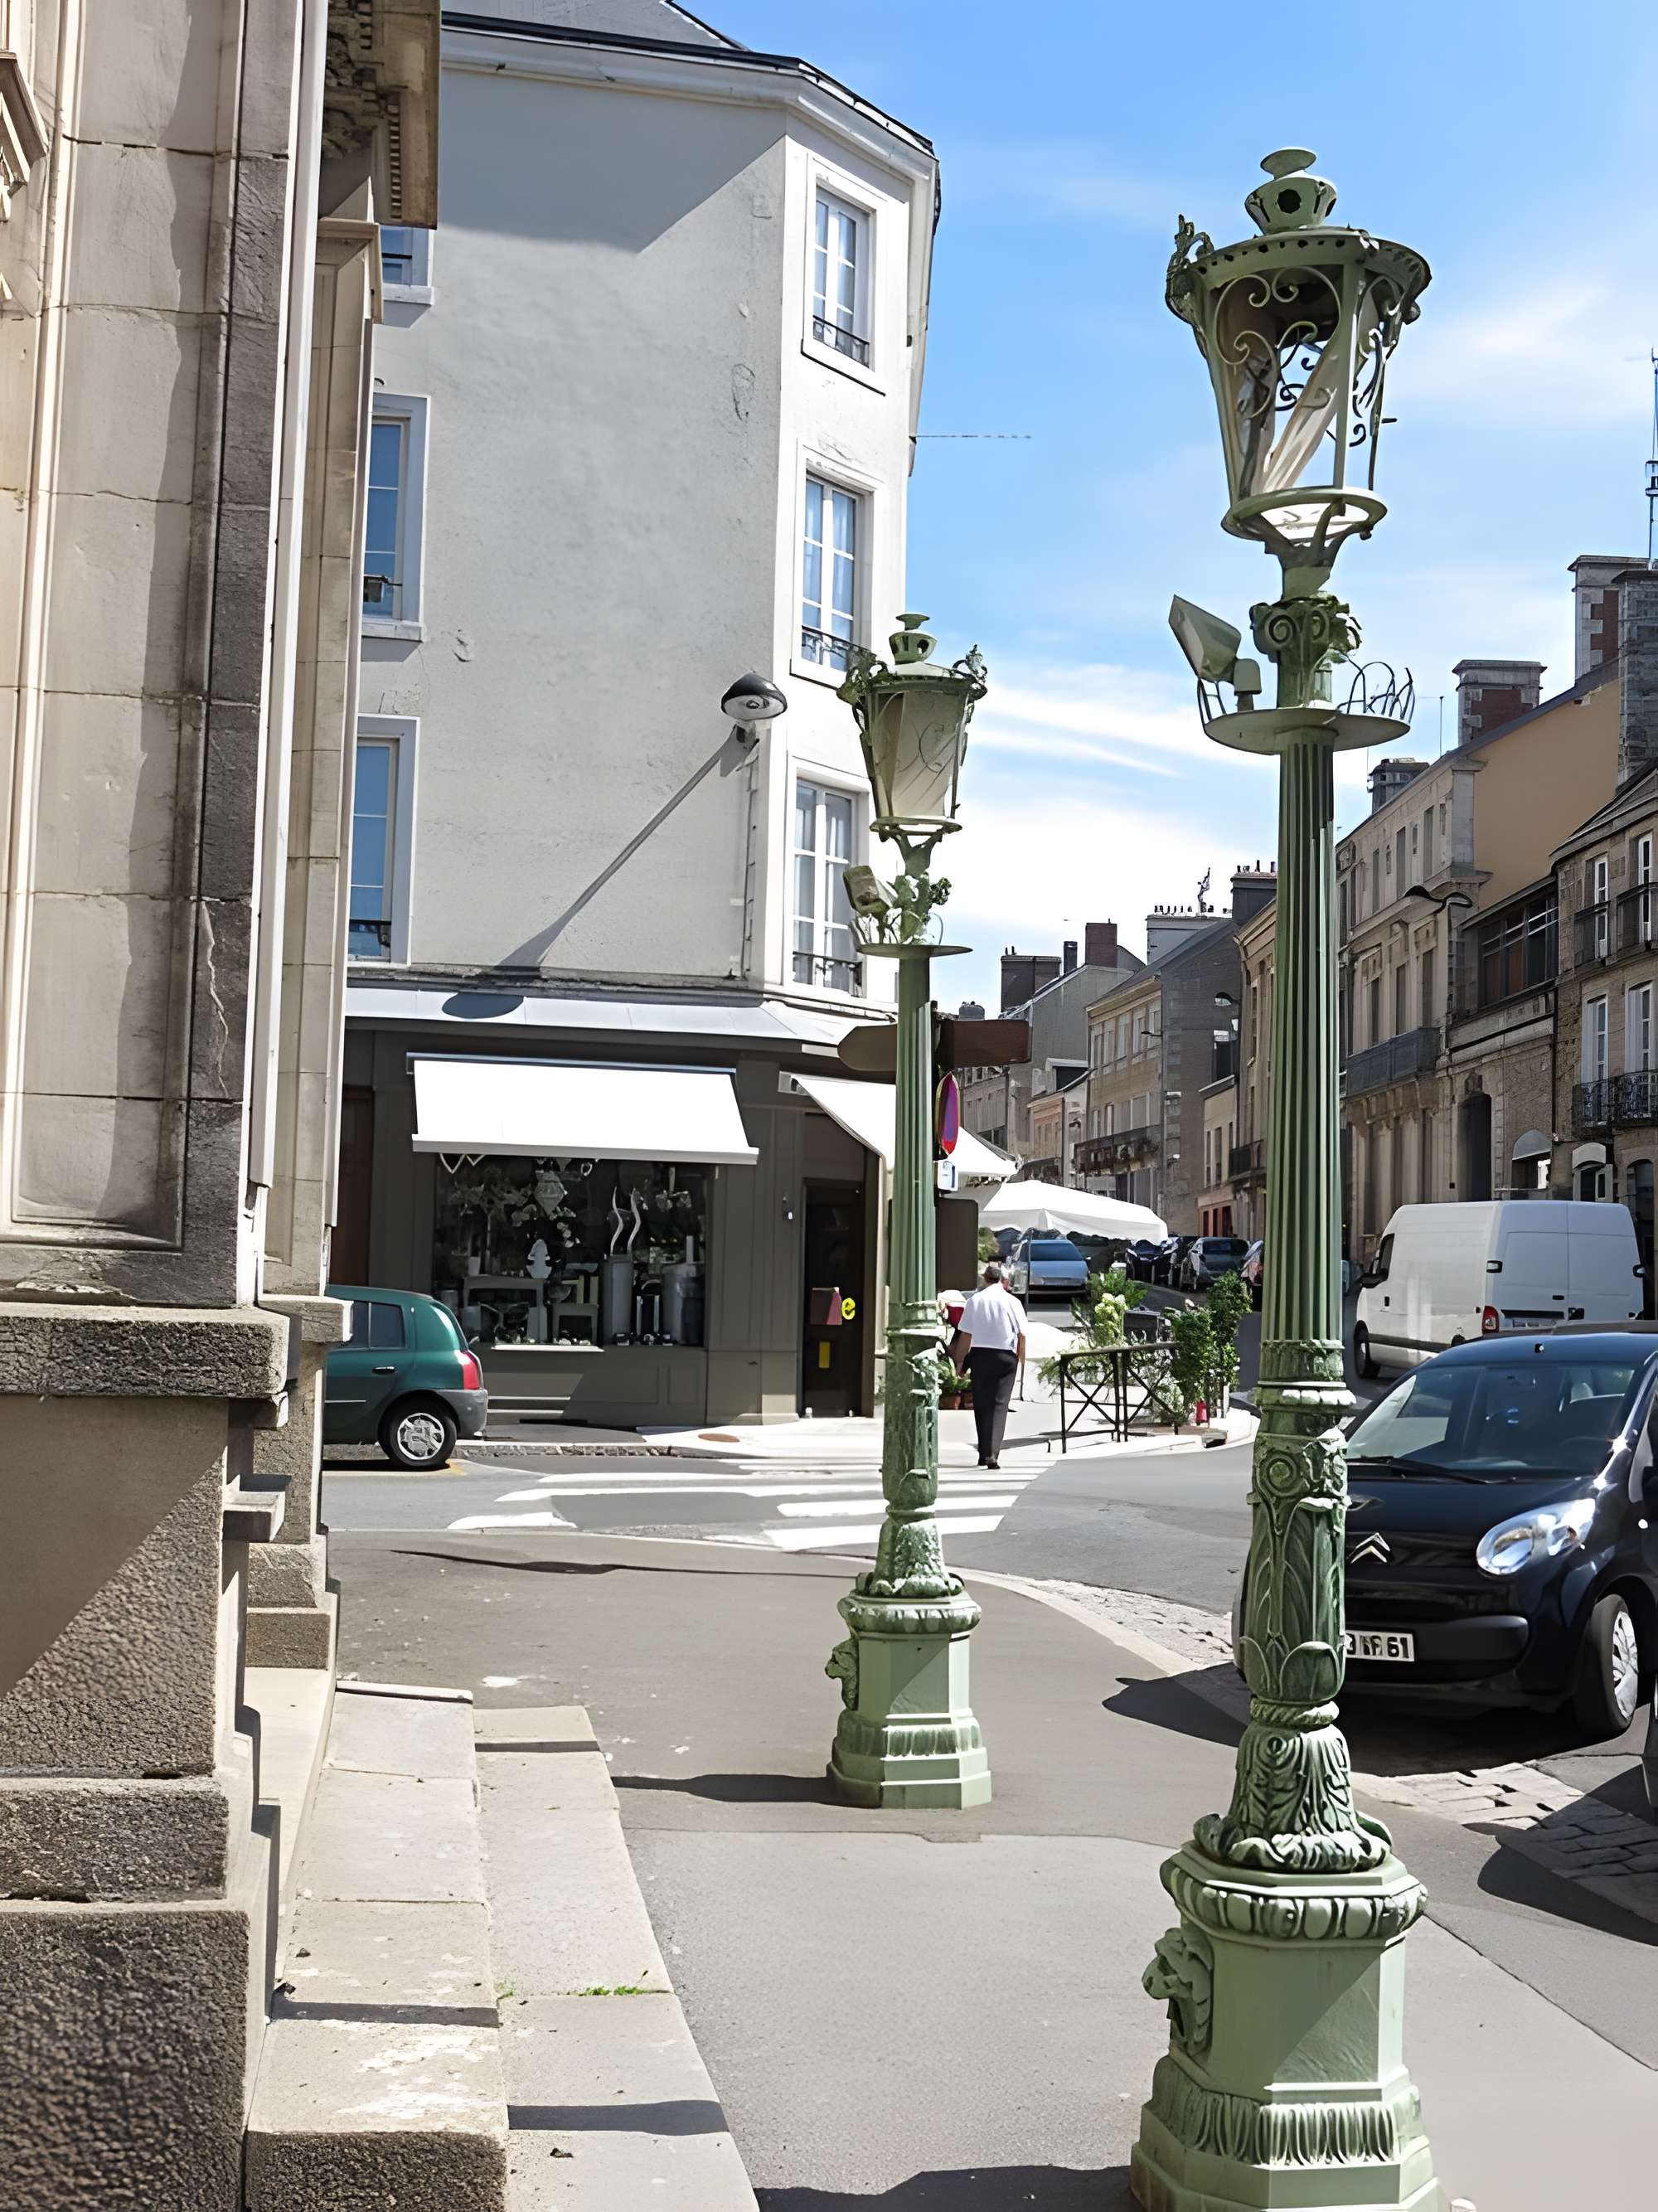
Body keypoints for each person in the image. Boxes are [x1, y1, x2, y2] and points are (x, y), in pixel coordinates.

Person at [953, 1263, 1027, 1468]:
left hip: (980, 1356)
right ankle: (992, 1453)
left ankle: (984, 1451)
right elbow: (1022, 1334)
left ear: (985, 1279)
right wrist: (1020, 1359)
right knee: (999, 1405)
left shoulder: (975, 1300)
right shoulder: (1012, 1301)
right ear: (1003, 1280)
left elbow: (966, 1335)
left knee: (982, 1405)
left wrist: (960, 1363)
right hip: (1006, 1356)